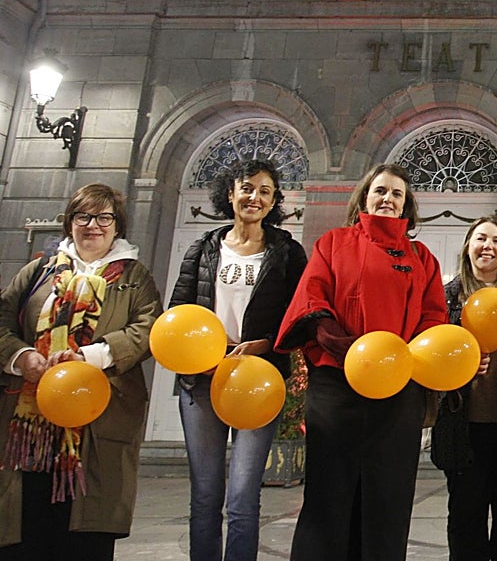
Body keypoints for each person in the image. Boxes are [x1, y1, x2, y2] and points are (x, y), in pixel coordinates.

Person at [275, 163, 446, 561]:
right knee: (328, 493)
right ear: (364, 197)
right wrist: (342, 344)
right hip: (337, 384)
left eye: (397, 194)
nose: (387, 199)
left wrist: (402, 357)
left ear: (407, 206)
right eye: (380, 191)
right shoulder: (333, 243)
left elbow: (433, 316)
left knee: (388, 494)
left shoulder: (422, 257)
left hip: (398, 389)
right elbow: (312, 298)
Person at [0, 183, 163, 558]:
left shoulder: (135, 278)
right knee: (24, 531)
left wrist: (90, 358)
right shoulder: (39, 271)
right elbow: (3, 320)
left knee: (84, 537)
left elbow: (147, 329)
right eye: (83, 216)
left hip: (97, 425)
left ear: (117, 226)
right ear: (69, 223)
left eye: (104, 217)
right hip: (28, 427)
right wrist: (22, 356)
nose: (94, 225)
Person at [169, 159, 308, 561]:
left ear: (273, 201)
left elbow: (299, 316)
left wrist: (265, 344)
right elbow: (178, 313)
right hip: (202, 381)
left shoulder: (287, 251)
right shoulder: (203, 248)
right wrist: (200, 354)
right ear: (230, 194)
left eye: (265, 191)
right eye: (247, 188)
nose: (255, 197)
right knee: (205, 495)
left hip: (257, 380)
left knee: (244, 497)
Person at [432, 215, 497, 561]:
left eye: (496, 240)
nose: (487, 247)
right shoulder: (446, 299)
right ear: (467, 247)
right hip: (463, 430)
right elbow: (432, 356)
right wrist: (459, 368)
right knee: (465, 520)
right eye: (480, 239)